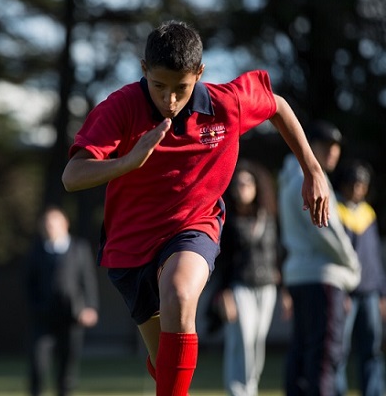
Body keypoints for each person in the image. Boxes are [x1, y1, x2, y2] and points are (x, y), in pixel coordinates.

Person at [62, 20, 331, 396]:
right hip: (129, 248)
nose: (170, 100)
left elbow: (278, 105)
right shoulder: (120, 107)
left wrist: (312, 169)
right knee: (166, 366)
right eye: (159, 86)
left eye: (181, 89)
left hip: (193, 226)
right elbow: (72, 176)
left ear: (199, 73)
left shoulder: (226, 105)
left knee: (179, 293)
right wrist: (127, 162)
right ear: (143, 70)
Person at [278, 119, 361, 396]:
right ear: (308, 145)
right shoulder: (309, 179)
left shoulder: (289, 175)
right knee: (324, 356)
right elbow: (327, 233)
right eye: (327, 146)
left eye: (336, 147)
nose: (333, 152)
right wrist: (353, 268)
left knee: (302, 354)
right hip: (322, 278)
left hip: (301, 277)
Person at [214, 160, 281, 396]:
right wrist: (223, 293)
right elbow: (221, 263)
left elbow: (277, 254)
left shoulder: (269, 218)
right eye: (238, 183)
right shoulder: (226, 222)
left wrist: (285, 291)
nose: (242, 187)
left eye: (247, 183)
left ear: (257, 187)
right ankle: (239, 391)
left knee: (256, 342)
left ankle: (250, 387)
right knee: (242, 340)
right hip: (238, 287)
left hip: (267, 288)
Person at [25, 206, 99, 396]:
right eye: (47, 223)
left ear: (65, 224)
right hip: (43, 319)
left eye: (54, 223)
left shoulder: (78, 248)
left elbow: (88, 280)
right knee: (38, 365)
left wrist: (90, 307)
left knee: (67, 369)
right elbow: (28, 284)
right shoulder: (36, 250)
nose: (50, 227)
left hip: (72, 319)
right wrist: (35, 307)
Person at [334, 161, 386, 396]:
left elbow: (375, 258)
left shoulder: (369, 214)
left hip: (370, 293)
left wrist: (382, 293)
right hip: (347, 293)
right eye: (354, 183)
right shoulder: (337, 211)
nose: (358, 188)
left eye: (362, 184)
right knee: (340, 350)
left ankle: (374, 391)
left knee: (372, 349)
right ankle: (337, 391)